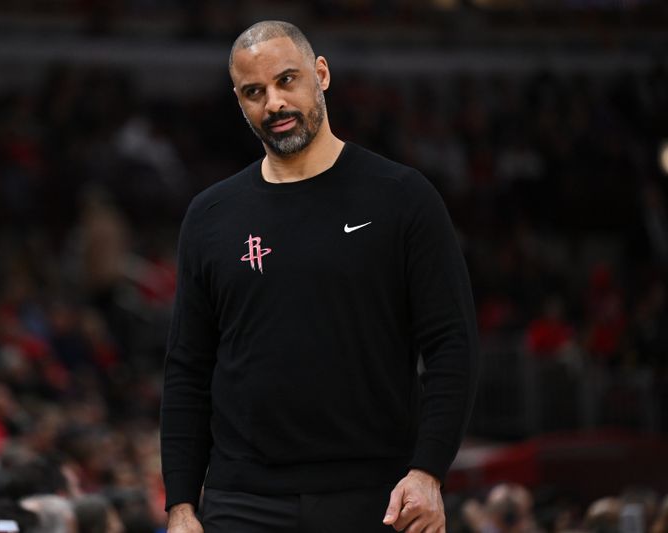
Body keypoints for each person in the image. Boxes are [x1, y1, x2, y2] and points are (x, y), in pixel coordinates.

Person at [160, 20, 480, 533]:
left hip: (377, 495)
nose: (274, 104)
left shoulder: (402, 196)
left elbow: (452, 345)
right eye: (254, 92)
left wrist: (427, 472)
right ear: (239, 102)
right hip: (241, 500)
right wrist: (179, 504)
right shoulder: (210, 215)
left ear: (321, 74)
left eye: (287, 80)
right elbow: (187, 369)